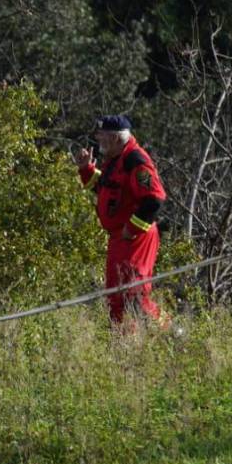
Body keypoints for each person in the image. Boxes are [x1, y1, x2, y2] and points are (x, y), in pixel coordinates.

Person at [73, 115, 168, 326]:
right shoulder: (115, 160)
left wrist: (131, 229)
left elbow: (155, 200)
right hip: (119, 240)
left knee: (135, 296)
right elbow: (108, 191)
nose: (98, 140)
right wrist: (86, 169)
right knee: (115, 299)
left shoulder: (136, 161)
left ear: (116, 138)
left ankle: (172, 335)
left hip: (136, 239)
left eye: (102, 136)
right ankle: (123, 348)